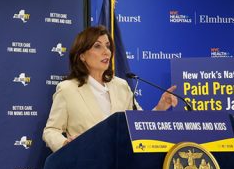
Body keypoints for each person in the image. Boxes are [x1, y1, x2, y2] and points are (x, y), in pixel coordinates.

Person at [43, 26, 178, 152]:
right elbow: (50, 131)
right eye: (97, 46)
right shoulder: (67, 89)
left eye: (108, 46)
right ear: (82, 55)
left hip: (123, 168)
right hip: (86, 167)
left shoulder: (121, 86)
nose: (106, 52)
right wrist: (66, 144)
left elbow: (139, 125)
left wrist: (160, 108)